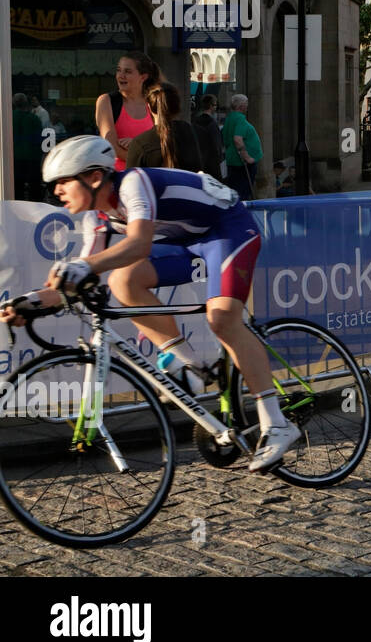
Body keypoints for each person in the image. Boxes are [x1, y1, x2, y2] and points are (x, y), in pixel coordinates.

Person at [0, 136, 301, 471]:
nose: (56, 191)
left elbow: (139, 243)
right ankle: (191, 366)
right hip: (186, 240)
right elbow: (76, 282)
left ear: (95, 177)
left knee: (222, 320)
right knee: (122, 280)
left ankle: (277, 424)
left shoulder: (134, 183)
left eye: (63, 181)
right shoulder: (97, 219)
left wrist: (85, 266)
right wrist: (29, 302)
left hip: (227, 229)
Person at [96, 52, 162, 172]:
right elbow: (111, 146)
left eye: (127, 71)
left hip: (149, 180)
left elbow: (161, 145)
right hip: (116, 180)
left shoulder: (153, 103)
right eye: (119, 70)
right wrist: (141, 153)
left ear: (143, 77)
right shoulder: (107, 101)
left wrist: (136, 144)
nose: (121, 76)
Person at [126, 82, 203, 172]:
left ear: (149, 107)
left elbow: (130, 183)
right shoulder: (190, 132)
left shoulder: (139, 144)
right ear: (177, 107)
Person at [222, 94, 263, 200]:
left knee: (235, 191)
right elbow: (237, 139)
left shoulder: (230, 118)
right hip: (241, 163)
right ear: (241, 106)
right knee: (243, 192)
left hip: (232, 160)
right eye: (246, 104)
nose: (247, 106)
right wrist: (247, 157)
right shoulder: (239, 119)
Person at [11, 93, 45, 201]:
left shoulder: (7, 118)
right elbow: (40, 139)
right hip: (32, 158)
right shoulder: (34, 119)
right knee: (34, 189)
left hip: (14, 159)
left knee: (16, 188)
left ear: (13, 104)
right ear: (26, 103)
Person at [192, 94, 224, 176]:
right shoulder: (212, 123)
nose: (216, 107)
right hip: (211, 162)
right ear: (211, 106)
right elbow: (216, 145)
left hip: (199, 160)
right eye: (215, 105)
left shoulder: (195, 121)